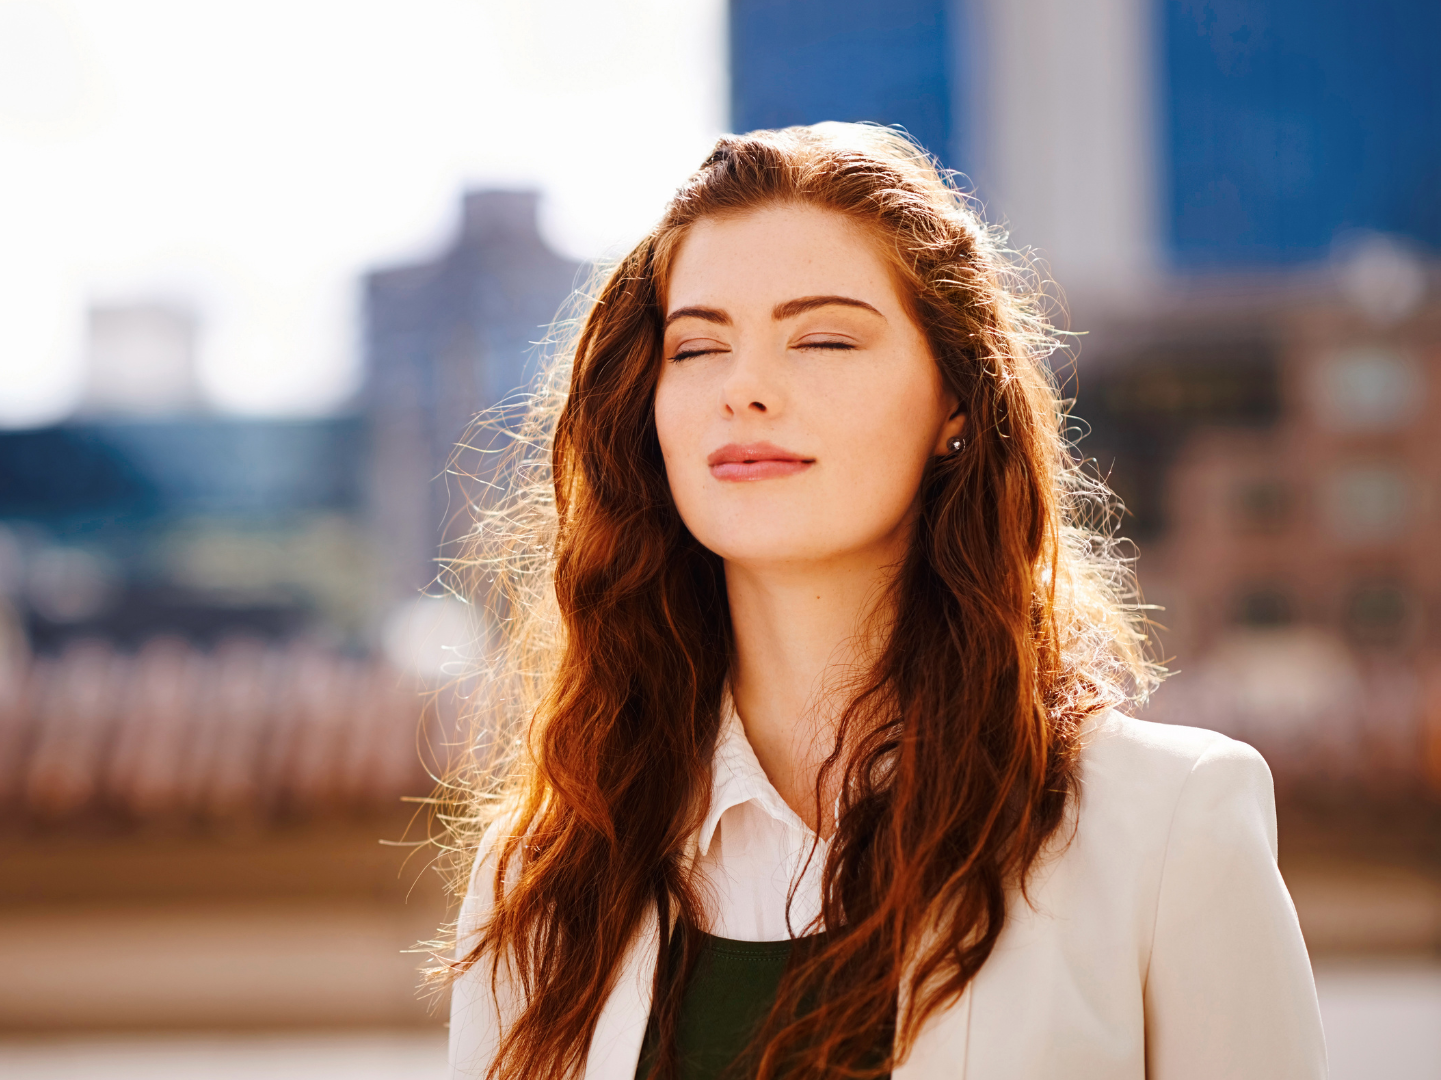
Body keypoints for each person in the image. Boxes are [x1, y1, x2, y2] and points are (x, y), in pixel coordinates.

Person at [439, 124, 1324, 1080]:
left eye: (821, 337)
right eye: (697, 347)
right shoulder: (543, 875)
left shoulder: (1163, 826)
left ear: (954, 399)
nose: (745, 389)